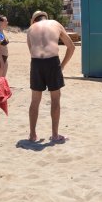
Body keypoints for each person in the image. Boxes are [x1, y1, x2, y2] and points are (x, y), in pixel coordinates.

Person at [26, 10, 75, 143]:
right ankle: (55, 135)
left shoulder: (30, 29)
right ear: (46, 17)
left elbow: (31, 51)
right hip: (52, 62)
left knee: (35, 101)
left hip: (36, 63)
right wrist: (62, 66)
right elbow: (71, 47)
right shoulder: (55, 24)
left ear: (34, 20)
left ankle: (32, 135)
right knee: (55, 99)